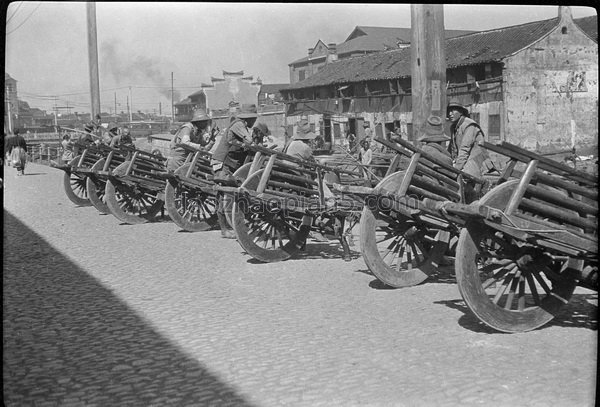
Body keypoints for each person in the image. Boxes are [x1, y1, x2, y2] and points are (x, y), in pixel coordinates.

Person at [211, 104, 259, 238]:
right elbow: (249, 141)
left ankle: (230, 227)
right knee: (224, 196)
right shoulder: (238, 125)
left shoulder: (240, 125)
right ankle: (225, 229)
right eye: (253, 119)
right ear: (248, 118)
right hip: (222, 164)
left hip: (226, 164)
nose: (254, 122)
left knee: (226, 196)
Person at [447, 99, 496, 203]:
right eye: (449, 111)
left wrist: (457, 168)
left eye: (453, 111)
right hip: (466, 158)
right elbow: (452, 148)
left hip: (476, 159)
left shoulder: (469, 125)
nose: (450, 114)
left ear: (461, 112)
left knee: (464, 180)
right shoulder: (454, 127)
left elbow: (465, 148)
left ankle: (477, 195)